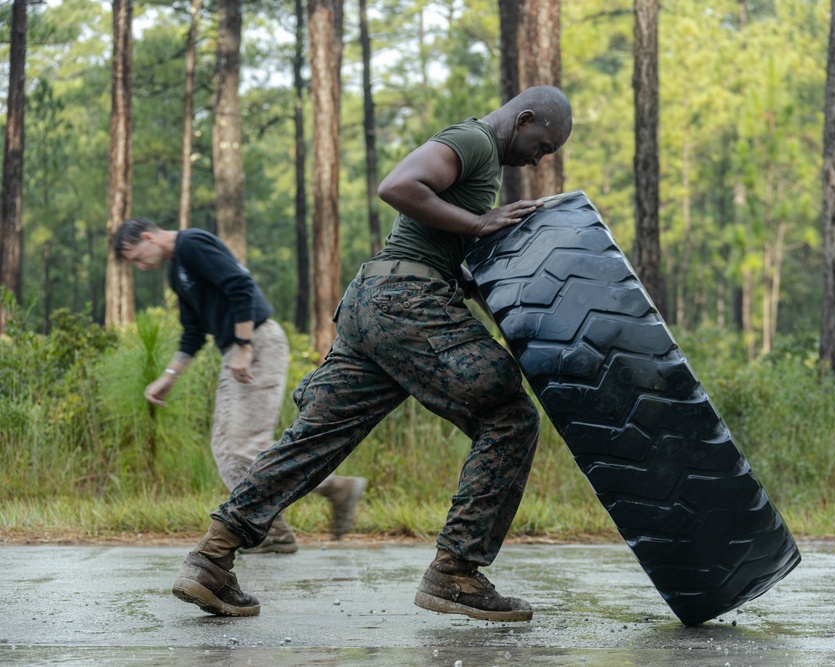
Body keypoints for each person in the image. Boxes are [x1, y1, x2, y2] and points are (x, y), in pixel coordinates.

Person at [169, 85, 573, 622]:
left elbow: (439, 242)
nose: (538, 159)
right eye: (542, 145)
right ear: (522, 119)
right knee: (509, 413)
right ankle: (455, 574)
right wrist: (478, 224)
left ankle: (211, 560)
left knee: (316, 438)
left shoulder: (481, 166)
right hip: (405, 303)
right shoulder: (472, 140)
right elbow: (398, 185)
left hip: (373, 308)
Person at [113, 220, 368, 552]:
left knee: (242, 444)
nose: (139, 266)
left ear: (147, 237)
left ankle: (332, 490)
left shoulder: (192, 244)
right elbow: (193, 332)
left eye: (136, 257)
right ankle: (274, 530)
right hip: (238, 350)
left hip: (256, 343)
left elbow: (240, 285)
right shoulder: (178, 272)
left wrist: (245, 345)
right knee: (226, 449)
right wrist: (168, 377)